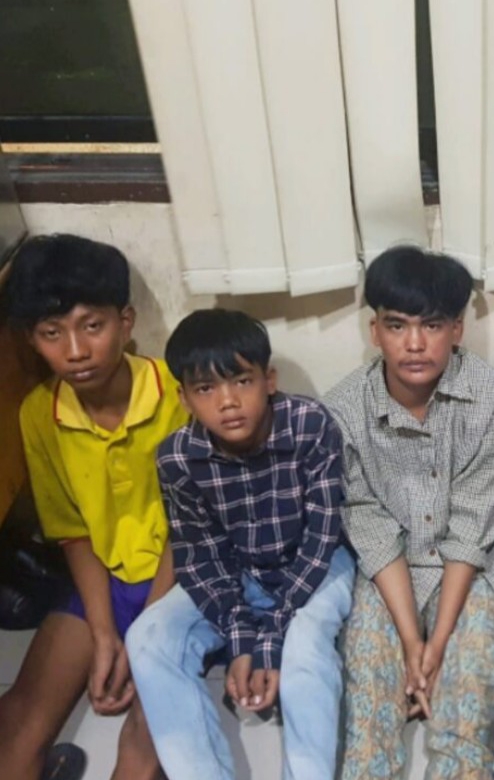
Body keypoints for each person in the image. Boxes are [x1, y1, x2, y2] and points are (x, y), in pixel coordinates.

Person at [324, 247, 494, 779]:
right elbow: (370, 529)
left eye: (432, 325)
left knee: (465, 722)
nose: (414, 344)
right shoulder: (344, 409)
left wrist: (436, 646)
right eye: (397, 326)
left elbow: (473, 528)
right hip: (389, 572)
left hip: (476, 569)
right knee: (368, 717)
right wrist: (411, 641)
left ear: (457, 330)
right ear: (375, 331)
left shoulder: (493, 397)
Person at [125, 309, 354, 780]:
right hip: (239, 573)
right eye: (206, 389)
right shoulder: (177, 458)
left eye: (242, 381)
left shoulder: (309, 425)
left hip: (314, 566)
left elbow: (322, 536)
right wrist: (239, 636)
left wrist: (267, 641)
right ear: (184, 398)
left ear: (269, 380)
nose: (227, 402)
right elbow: (200, 556)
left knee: (305, 654)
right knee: (147, 638)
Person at [0, 234, 187, 780]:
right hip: (102, 579)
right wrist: (105, 633)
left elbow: (190, 529)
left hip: (183, 579)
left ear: (125, 323)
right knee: (18, 725)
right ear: (31, 339)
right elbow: (72, 530)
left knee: (144, 741)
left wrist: (143, 635)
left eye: (92, 325)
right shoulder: (40, 413)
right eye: (51, 333)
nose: (75, 350)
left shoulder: (179, 395)